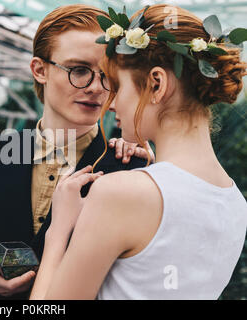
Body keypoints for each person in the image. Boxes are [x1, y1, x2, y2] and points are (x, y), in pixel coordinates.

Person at [0, 4, 151, 300]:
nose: (96, 87)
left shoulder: (129, 165)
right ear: (40, 70)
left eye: (107, 75)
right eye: (79, 70)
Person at [29, 4, 247, 300]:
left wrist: (59, 231)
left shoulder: (121, 192)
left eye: (117, 86)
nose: (110, 102)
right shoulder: (235, 203)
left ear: (156, 85)